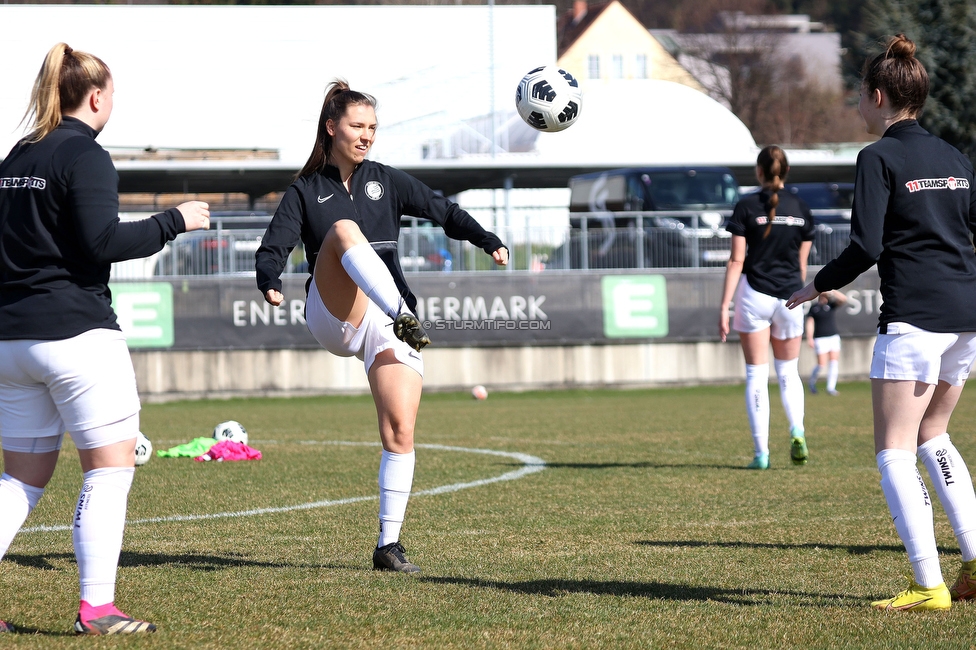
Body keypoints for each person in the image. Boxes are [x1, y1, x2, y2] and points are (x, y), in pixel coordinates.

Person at [255, 80, 508, 574]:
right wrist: (269, 279)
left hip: (386, 324)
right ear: (332, 128)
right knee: (346, 232)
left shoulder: (386, 179)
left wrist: (486, 238)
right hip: (335, 316)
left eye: (373, 126)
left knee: (401, 428)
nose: (367, 135)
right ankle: (402, 314)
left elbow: (442, 210)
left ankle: (388, 546)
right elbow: (275, 243)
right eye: (357, 126)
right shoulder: (306, 189)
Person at [0, 44, 211, 634]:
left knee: (20, 478)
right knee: (109, 468)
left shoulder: (17, 154)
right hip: (76, 337)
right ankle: (96, 608)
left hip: (10, 341)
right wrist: (175, 221)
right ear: (96, 97)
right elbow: (102, 244)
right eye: (112, 93)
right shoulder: (84, 154)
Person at [787, 34, 976, 612]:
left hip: (916, 319)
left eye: (859, 99)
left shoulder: (878, 157)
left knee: (894, 450)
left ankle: (928, 584)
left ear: (877, 96)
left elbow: (865, 246)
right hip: (967, 318)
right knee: (934, 436)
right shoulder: (953, 155)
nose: (857, 109)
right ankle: (972, 564)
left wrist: (815, 285)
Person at [719, 145, 815, 470]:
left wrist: (724, 307)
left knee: (756, 375)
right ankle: (797, 430)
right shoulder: (802, 207)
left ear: (759, 172)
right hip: (791, 298)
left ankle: (762, 454)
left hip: (753, 296)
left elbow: (736, 261)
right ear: (786, 172)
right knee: (789, 372)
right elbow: (802, 268)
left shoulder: (745, 206)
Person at [805, 290, 848, 395]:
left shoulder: (831, 305)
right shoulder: (814, 308)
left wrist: (832, 291)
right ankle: (811, 384)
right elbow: (810, 322)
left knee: (833, 362)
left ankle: (831, 387)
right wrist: (809, 338)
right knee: (821, 364)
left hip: (833, 337)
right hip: (820, 338)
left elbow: (844, 299)